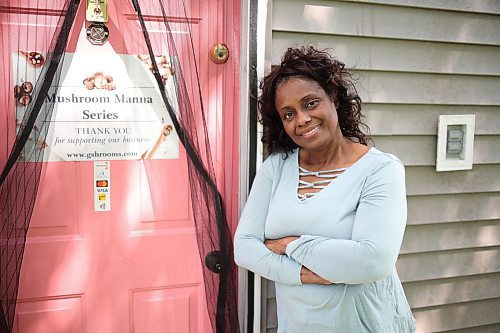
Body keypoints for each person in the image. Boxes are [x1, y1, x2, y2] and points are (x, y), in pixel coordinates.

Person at [234, 46, 416, 332]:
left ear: (333, 98)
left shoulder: (380, 170)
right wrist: (303, 274)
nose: (302, 120)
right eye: (289, 113)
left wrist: (289, 244)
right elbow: (244, 248)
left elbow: (372, 260)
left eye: (310, 103)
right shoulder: (277, 168)